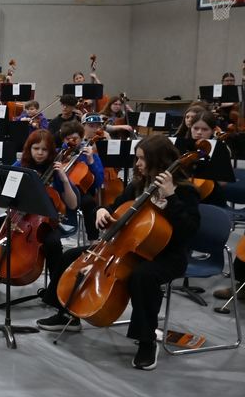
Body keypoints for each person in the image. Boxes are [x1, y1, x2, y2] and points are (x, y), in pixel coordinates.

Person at [37, 135, 200, 371]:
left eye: (142, 159)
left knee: (143, 277)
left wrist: (171, 197)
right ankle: (67, 314)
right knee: (71, 256)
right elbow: (116, 207)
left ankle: (146, 342)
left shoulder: (184, 191)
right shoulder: (139, 184)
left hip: (167, 254)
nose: (138, 163)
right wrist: (103, 211)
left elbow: (189, 230)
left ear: (159, 160)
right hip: (126, 247)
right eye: (137, 157)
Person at [0, 129, 79, 292]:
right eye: (36, 148)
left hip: (44, 223)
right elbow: (5, 191)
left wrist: (64, 180)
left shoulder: (57, 170)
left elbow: (72, 204)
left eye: (44, 149)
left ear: (51, 151)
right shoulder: (21, 165)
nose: (40, 153)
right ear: (29, 149)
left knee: (53, 243)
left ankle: (55, 288)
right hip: (18, 216)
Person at [58, 120, 105, 240]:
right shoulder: (58, 154)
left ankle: (93, 240)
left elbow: (98, 183)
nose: (71, 142)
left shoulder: (90, 155)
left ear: (81, 137)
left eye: (75, 138)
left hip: (81, 193)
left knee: (89, 202)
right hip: (60, 191)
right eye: (67, 139)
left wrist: (91, 162)